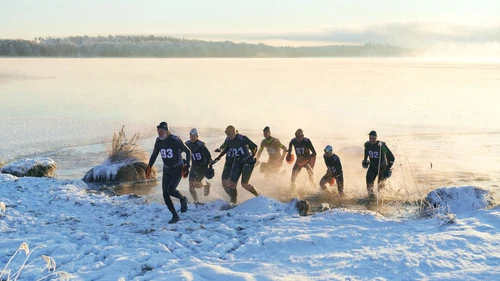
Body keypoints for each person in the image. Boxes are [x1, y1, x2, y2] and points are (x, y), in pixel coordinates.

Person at [146, 121, 191, 224]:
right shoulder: (158, 141)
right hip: (166, 169)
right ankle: (175, 216)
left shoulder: (175, 140)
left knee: (171, 190)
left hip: (177, 168)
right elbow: (154, 155)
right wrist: (149, 166)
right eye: (158, 131)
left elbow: (188, 151)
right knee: (165, 194)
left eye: (161, 131)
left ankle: (183, 199)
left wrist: (187, 166)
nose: (159, 133)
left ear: (166, 130)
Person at [213, 125, 260, 203]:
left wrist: (252, 155)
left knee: (244, 184)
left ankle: (257, 195)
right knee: (232, 185)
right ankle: (234, 203)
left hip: (247, 162)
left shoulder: (242, 138)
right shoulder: (228, 140)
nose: (228, 135)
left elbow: (254, 146)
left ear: (233, 132)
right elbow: (227, 148)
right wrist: (218, 157)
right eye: (226, 133)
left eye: (229, 133)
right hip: (237, 162)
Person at [362, 130, 395, 197]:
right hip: (372, 167)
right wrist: (365, 160)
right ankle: (371, 201)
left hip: (382, 167)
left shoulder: (381, 146)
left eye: (373, 138)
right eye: (370, 138)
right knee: (369, 188)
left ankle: (380, 202)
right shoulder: (366, 145)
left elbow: (391, 158)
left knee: (380, 191)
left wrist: (387, 168)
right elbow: (366, 152)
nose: (371, 140)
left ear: (376, 138)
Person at [185, 128, 212, 203]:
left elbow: (209, 156)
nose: (192, 137)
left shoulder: (200, 144)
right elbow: (180, 149)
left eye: (194, 135)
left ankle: (205, 185)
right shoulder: (187, 143)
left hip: (202, 166)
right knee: (191, 185)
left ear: (197, 136)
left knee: (196, 184)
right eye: (190, 135)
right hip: (194, 166)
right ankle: (196, 201)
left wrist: (210, 166)